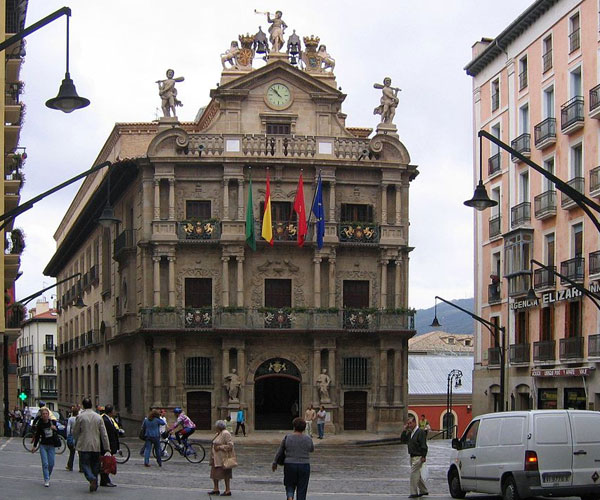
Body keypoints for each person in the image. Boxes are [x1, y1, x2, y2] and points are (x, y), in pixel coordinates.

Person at [72, 398, 111, 492]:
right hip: (95, 445)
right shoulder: (98, 417)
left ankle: (91, 478)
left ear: (84, 405)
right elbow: (104, 434)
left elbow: (75, 432)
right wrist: (107, 448)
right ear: (91, 405)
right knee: (95, 465)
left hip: (84, 445)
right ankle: (94, 481)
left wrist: (75, 442)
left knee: (84, 464)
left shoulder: (80, 417)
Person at [272, 417, 314, 500]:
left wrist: (275, 462)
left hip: (289, 464)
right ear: (304, 428)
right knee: (302, 488)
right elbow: (311, 449)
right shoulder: (308, 438)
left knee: (289, 485)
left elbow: (280, 451)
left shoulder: (288, 437)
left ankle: (290, 497)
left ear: (294, 426)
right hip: (304, 465)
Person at [400, 415, 429, 498]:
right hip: (412, 456)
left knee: (413, 474)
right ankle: (424, 490)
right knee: (417, 474)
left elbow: (424, 445)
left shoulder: (420, 432)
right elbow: (403, 440)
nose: (409, 425)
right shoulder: (410, 433)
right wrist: (404, 430)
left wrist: (423, 456)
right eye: (408, 423)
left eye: (410, 423)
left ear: (415, 422)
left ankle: (413, 492)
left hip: (418, 456)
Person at [32, 407, 59, 487]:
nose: (45, 415)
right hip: (43, 445)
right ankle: (46, 479)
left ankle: (48, 475)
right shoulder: (40, 424)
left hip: (51, 445)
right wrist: (34, 446)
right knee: (45, 463)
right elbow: (37, 436)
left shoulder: (52, 422)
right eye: (43, 414)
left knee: (51, 464)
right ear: (41, 415)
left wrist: (54, 429)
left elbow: (57, 432)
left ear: (48, 415)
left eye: (46, 414)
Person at [209, 419, 235, 496]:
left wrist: (220, 447)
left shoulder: (226, 433)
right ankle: (216, 489)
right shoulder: (218, 433)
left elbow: (230, 446)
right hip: (216, 458)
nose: (215, 428)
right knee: (214, 474)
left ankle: (227, 490)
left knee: (226, 474)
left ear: (219, 427)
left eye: (216, 426)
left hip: (223, 458)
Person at [100, 404, 120, 486]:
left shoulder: (109, 419)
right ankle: (105, 480)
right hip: (108, 445)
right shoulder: (106, 420)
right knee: (106, 463)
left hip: (109, 444)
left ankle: (104, 480)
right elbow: (108, 434)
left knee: (106, 462)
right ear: (111, 412)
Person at [65, 406, 79, 471]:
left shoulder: (70, 419)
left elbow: (68, 428)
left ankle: (70, 466)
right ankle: (81, 467)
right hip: (78, 437)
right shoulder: (79, 418)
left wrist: (68, 436)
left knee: (72, 452)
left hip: (72, 436)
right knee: (80, 453)